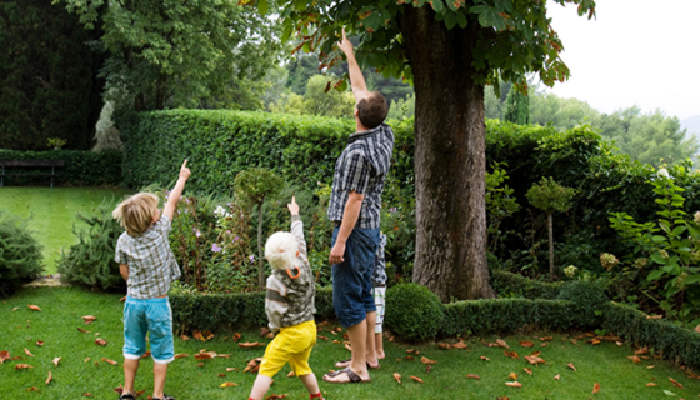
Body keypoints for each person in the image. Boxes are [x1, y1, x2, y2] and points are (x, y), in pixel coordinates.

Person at [323, 27, 394, 384]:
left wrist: (339, 243)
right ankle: (366, 357)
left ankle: (357, 368)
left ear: (356, 114)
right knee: (365, 294)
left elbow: (354, 199)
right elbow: (360, 89)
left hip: (353, 230)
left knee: (348, 298)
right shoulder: (384, 134)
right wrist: (349, 54)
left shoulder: (356, 153)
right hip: (371, 230)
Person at [112, 160, 190, 400]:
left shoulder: (124, 241)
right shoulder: (160, 230)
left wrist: (135, 283)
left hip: (134, 303)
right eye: (155, 210)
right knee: (161, 349)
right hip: (157, 304)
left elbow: (124, 273)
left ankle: (127, 392)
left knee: (132, 347)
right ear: (151, 219)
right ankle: (157, 395)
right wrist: (182, 178)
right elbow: (173, 200)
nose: (159, 211)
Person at [247, 196, 325, 400]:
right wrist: (295, 216)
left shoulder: (275, 280)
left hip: (291, 333)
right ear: (296, 252)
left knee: (266, 367)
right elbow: (299, 238)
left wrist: (274, 328)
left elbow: (273, 309)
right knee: (301, 366)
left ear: (267, 258)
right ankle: (317, 397)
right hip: (310, 328)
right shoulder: (303, 262)